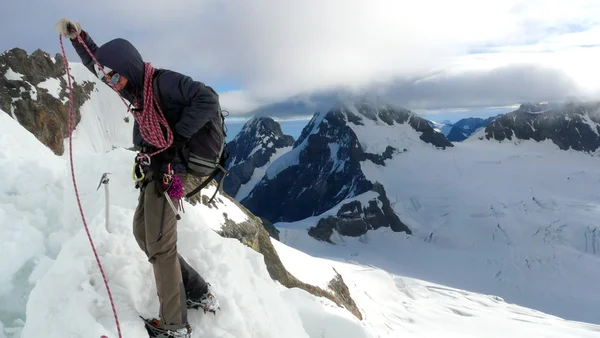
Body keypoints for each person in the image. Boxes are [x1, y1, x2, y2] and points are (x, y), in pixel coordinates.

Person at [55, 18, 221, 338]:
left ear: (128, 68)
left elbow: (208, 99)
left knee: (159, 243)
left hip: (181, 166)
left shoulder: (164, 82)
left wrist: (177, 139)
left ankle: (175, 325)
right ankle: (197, 290)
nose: (110, 81)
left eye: (114, 75)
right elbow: (96, 64)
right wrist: (79, 37)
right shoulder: (133, 85)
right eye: (108, 76)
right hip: (160, 163)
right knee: (143, 232)